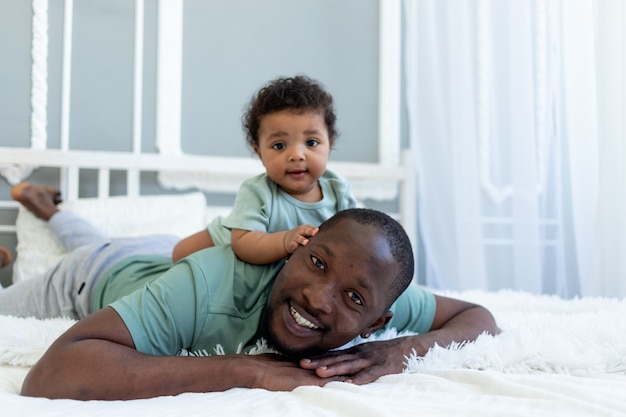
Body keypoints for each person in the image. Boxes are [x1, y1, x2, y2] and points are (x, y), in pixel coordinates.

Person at [1, 183, 499, 400]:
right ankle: (47, 215)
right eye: (317, 262)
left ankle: (50, 207)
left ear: (376, 322)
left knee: (112, 239)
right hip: (95, 272)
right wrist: (245, 369)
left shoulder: (376, 283)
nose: (319, 298)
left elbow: (479, 317)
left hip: (157, 257)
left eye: (352, 299)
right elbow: (52, 374)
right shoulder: (207, 279)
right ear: (294, 248)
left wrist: (400, 352)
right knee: (81, 254)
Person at [172, 75, 357, 264]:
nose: (297, 155)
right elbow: (244, 244)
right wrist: (285, 240)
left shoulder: (339, 192)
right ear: (259, 152)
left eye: (311, 142)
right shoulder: (257, 191)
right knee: (180, 254)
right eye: (279, 146)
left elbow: (357, 236)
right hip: (228, 243)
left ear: (329, 144)